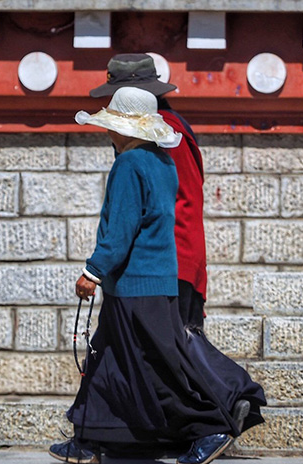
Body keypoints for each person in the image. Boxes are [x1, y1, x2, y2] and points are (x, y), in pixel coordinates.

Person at [49, 87, 265, 464]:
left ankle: (209, 426)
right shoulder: (163, 163)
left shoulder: (129, 166)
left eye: (113, 126)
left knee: (155, 365)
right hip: (155, 282)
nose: (109, 132)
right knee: (106, 359)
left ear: (129, 130)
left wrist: (92, 272)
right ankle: (91, 437)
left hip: (136, 286)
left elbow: (122, 231)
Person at [89, 54, 208, 330]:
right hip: (173, 260)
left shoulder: (157, 134)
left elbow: (158, 205)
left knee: (175, 362)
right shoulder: (167, 127)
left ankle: (234, 378)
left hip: (163, 263)